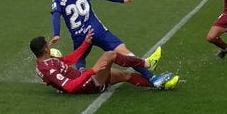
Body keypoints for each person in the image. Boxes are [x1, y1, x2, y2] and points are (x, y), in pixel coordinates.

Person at [49, 0, 169, 86]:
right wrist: (121, 0)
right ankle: (152, 78)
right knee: (124, 52)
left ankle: (82, 77)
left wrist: (56, 34)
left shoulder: (57, 0)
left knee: (80, 58)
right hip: (97, 30)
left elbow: (56, 16)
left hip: (80, 36)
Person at [31, 29, 178, 93]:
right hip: (87, 84)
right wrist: (91, 72)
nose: (50, 45)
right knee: (110, 55)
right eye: (48, 44)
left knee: (124, 76)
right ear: (44, 49)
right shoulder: (47, 68)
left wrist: (86, 43)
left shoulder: (47, 60)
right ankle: (147, 63)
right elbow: (69, 87)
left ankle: (159, 85)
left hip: (86, 80)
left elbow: (70, 59)